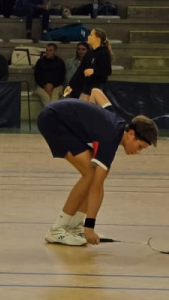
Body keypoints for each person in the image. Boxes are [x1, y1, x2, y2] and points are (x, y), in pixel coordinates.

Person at [38, 99, 158, 246]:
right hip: (52, 120)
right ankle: (57, 230)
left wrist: (84, 112)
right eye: (139, 146)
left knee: (94, 172)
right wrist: (90, 228)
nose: (138, 151)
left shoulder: (118, 125)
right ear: (131, 134)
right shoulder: (110, 138)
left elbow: (96, 92)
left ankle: (74, 226)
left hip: (60, 119)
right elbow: (97, 187)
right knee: (91, 173)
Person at [64, 28, 112, 102]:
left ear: (97, 39)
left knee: (90, 108)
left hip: (98, 88)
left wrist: (94, 71)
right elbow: (80, 71)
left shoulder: (103, 53)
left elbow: (107, 71)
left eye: (91, 35)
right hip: (87, 88)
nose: (88, 37)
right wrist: (70, 85)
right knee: (82, 106)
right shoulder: (89, 53)